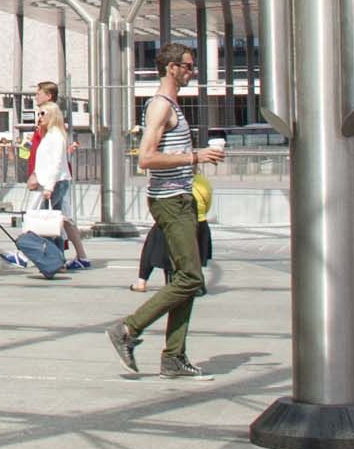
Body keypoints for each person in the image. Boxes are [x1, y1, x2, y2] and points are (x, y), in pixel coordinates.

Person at [107, 42, 224, 380]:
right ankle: (128, 329)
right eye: (187, 66)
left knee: (184, 278)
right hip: (170, 200)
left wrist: (193, 160)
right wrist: (194, 156)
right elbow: (146, 158)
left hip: (180, 197)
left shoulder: (171, 105)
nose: (191, 71)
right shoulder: (161, 106)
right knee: (190, 277)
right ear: (171, 68)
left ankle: (174, 357)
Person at [25, 81, 92, 270]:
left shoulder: (52, 130)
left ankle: (40, 257)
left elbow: (53, 159)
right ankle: (71, 257)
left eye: (39, 93)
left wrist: (41, 179)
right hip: (52, 179)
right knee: (59, 218)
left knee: (43, 218)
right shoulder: (49, 128)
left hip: (51, 180)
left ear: (48, 97)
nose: (36, 97)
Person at [131, 172, 211, 294]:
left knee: (154, 246)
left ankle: (143, 282)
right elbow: (207, 203)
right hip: (200, 222)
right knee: (193, 253)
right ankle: (197, 283)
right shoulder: (202, 182)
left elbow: (154, 199)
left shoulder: (169, 181)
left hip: (173, 220)